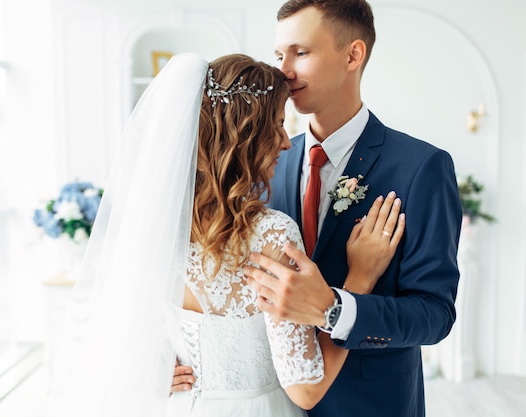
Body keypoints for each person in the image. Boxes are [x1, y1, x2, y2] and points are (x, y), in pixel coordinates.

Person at [46, 52, 405, 417]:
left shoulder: (154, 227)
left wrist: (147, 373)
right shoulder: (273, 234)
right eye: (278, 126)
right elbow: (307, 390)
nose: (286, 142)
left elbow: (114, 333)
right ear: (244, 140)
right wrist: (360, 276)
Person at [243, 1, 462, 417]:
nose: (283, 70)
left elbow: (435, 314)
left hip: (372, 406)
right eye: (279, 55)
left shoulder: (421, 167)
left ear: (353, 55)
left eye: (300, 52)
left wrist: (335, 308)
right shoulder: (266, 167)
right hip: (275, 404)